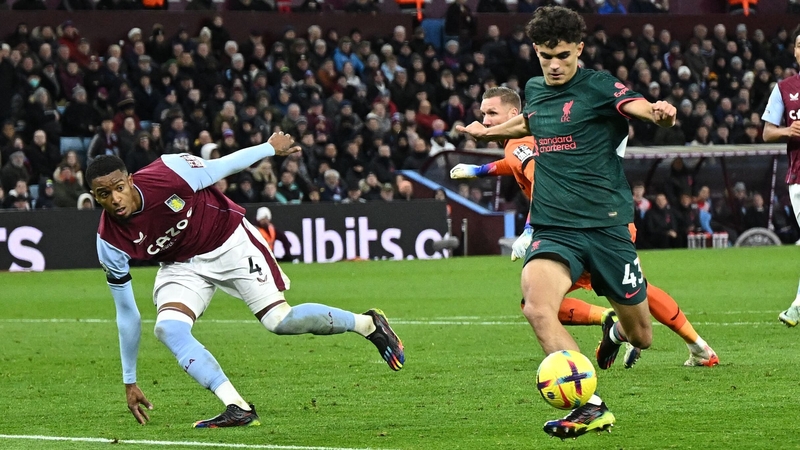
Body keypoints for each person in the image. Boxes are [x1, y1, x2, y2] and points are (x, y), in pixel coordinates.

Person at [454, 7, 675, 439]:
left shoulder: (598, 85)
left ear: (579, 49)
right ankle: (590, 406)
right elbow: (531, 119)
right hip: (555, 229)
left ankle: (614, 334)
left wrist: (657, 112)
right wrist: (487, 135)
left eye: (562, 56)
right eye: (545, 56)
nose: (554, 65)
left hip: (608, 228)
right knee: (537, 306)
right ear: (536, 53)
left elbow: (635, 105)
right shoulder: (535, 88)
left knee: (642, 336)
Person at [86, 131, 404, 427]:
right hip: (182, 264)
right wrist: (129, 380)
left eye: (119, 188)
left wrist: (269, 148)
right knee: (168, 328)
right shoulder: (109, 241)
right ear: (94, 197)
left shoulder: (169, 171)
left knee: (279, 321)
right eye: (104, 194)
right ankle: (238, 407)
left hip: (230, 242)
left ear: (129, 180)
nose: (115, 199)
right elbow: (127, 313)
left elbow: (223, 166)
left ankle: (368, 324)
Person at [451, 86, 718, 364]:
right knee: (634, 291)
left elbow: (537, 175)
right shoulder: (533, 137)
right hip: (606, 221)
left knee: (538, 303)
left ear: (515, 114)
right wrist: (480, 170)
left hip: (579, 230)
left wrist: (529, 229)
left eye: (492, 113)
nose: (486, 120)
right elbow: (516, 163)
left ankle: (609, 328)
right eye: (483, 113)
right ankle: (694, 346)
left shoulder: (518, 142)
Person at [762, 24, 800, 327]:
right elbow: (766, 132)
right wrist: (787, 130)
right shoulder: (784, 88)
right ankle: (797, 307)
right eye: (798, 45)